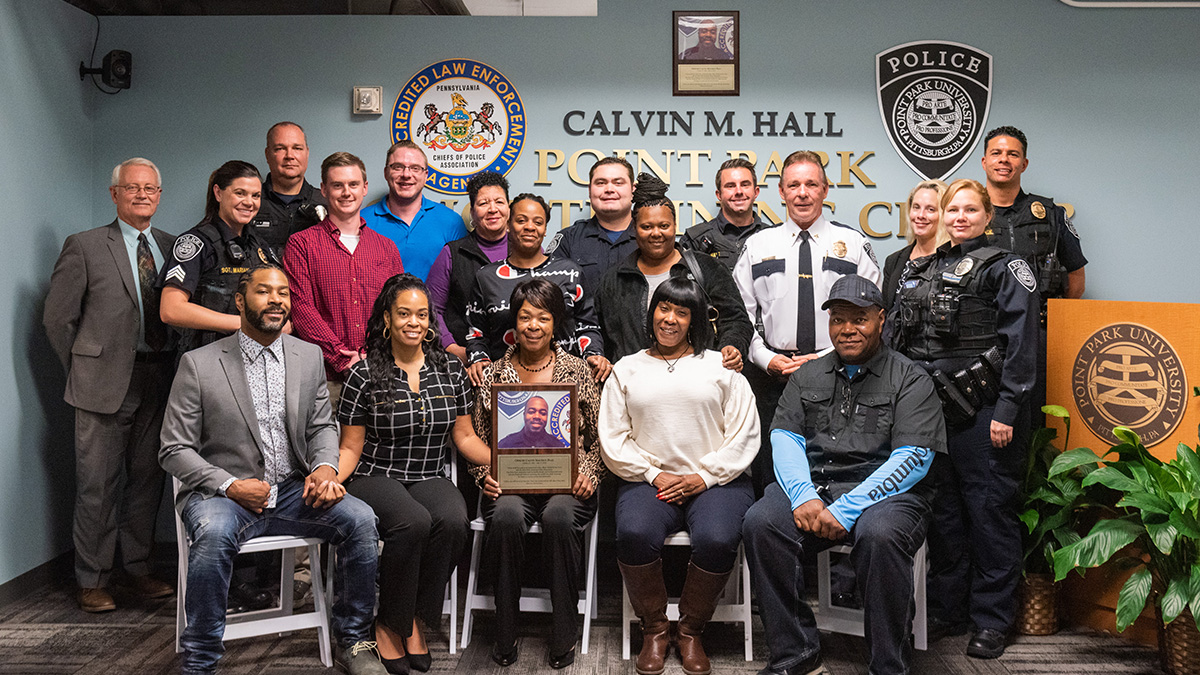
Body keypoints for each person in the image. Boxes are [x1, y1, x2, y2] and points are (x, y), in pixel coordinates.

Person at [159, 265, 385, 675]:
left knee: (362, 520)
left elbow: (321, 426)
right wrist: (229, 485)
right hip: (222, 497)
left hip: (295, 490)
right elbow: (174, 448)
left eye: (283, 292)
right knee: (211, 536)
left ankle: (355, 641)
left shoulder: (308, 356)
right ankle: (201, 660)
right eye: (264, 291)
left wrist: (324, 469)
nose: (276, 300)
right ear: (241, 301)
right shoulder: (199, 364)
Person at [742, 274, 947, 675]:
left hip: (891, 496)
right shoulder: (809, 374)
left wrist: (848, 509)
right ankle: (795, 652)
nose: (847, 329)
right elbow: (784, 438)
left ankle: (888, 664)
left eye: (859, 318)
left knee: (881, 535)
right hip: (817, 486)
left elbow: (914, 458)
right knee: (761, 522)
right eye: (838, 319)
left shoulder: (910, 378)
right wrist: (803, 496)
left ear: (881, 319)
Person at [889, 179, 1039, 659]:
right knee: (946, 517)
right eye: (952, 209)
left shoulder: (1006, 267)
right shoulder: (927, 267)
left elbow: (1022, 346)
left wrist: (1009, 410)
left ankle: (993, 620)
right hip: (933, 414)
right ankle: (949, 609)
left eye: (969, 209)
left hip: (987, 412)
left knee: (990, 514)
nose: (959, 216)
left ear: (986, 216)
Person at [600, 277, 759, 675]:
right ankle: (655, 629)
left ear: (695, 320)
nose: (669, 319)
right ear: (650, 313)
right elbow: (613, 439)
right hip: (650, 480)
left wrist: (703, 477)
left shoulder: (721, 365)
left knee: (719, 537)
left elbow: (744, 432)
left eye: (681, 312)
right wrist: (653, 474)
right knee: (633, 533)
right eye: (663, 309)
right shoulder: (626, 369)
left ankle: (690, 631)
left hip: (716, 481)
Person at [336, 273, 490, 675]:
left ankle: (414, 618)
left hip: (428, 474)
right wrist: (330, 478)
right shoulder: (363, 373)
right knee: (413, 522)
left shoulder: (450, 371)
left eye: (421, 314)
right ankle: (389, 622)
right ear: (387, 318)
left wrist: (511, 461)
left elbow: (465, 436)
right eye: (404, 313)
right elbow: (351, 446)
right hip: (375, 473)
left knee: (454, 521)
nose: (413, 322)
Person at [43, 157, 176, 612]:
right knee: (97, 484)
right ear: (114, 194)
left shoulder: (173, 246)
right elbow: (58, 319)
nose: (142, 195)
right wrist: (83, 371)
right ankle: (92, 578)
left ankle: (136, 569)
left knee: (146, 479)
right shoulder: (83, 246)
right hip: (101, 383)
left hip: (160, 377)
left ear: (160, 195)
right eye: (132, 187)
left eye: (150, 188)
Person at [469, 279, 606, 669]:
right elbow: (477, 437)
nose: (533, 325)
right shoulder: (493, 374)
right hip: (509, 483)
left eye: (543, 317)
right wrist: (484, 475)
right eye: (525, 316)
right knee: (509, 517)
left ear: (555, 322)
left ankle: (563, 633)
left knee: (559, 517)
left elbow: (599, 438)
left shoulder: (577, 372)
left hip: (569, 482)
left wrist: (590, 474)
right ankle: (504, 630)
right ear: (515, 320)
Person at [732, 150, 881, 496]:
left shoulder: (855, 244)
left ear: (825, 190)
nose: (802, 193)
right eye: (794, 185)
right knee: (772, 479)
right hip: (772, 379)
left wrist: (829, 357)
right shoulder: (757, 245)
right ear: (781, 192)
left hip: (838, 376)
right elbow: (739, 316)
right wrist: (765, 358)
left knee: (831, 473)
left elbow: (872, 314)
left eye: (811, 184)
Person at [981, 126, 1088, 424]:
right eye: (997, 153)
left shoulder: (1050, 213)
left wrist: (1048, 321)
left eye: (1013, 154)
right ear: (984, 162)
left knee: (1039, 416)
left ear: (1024, 164)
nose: (1004, 160)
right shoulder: (969, 215)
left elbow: (1076, 277)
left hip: (1039, 335)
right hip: (985, 334)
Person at [595, 173, 751, 371]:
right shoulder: (615, 279)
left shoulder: (706, 268)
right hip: (635, 386)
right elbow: (602, 334)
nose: (656, 233)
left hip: (698, 382)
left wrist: (732, 346)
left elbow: (736, 320)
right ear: (634, 228)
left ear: (675, 226)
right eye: (646, 227)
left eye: (664, 226)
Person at [283, 151, 404, 404]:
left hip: (381, 374)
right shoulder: (301, 245)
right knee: (325, 445)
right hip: (325, 379)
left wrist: (373, 357)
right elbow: (302, 308)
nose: (346, 192)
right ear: (324, 190)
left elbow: (397, 309)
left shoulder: (387, 248)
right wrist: (341, 358)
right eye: (337, 185)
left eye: (353, 184)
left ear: (364, 188)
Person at [464, 191, 608, 382]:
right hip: (505, 382)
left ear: (546, 229)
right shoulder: (486, 277)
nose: (530, 227)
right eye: (521, 220)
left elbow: (587, 325)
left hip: (566, 381)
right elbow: (476, 333)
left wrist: (593, 354)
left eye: (538, 222)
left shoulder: (570, 272)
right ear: (508, 225)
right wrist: (478, 359)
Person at [159, 160, 281, 356]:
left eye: (256, 195)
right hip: (206, 359)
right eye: (240, 193)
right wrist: (244, 325)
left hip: (253, 358)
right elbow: (171, 310)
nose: (249, 202)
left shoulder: (259, 246)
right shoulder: (196, 243)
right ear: (218, 193)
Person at [427, 171, 512, 363]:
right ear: (472, 212)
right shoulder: (452, 254)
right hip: (464, 362)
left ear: (508, 208)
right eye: (483, 203)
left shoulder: (529, 251)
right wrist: (452, 348)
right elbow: (432, 310)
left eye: (499, 201)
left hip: (519, 363)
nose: (493, 209)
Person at [361, 140, 467, 281]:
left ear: (426, 175)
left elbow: (462, 280)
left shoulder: (451, 221)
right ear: (386, 173)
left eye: (415, 168)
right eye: (398, 167)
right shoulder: (362, 221)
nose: (406, 174)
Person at [547, 156, 638, 294]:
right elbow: (548, 294)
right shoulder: (568, 240)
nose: (609, 189)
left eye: (618, 183)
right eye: (600, 183)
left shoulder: (651, 238)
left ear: (633, 190)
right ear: (590, 190)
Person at [679, 157, 775, 273]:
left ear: (756, 192)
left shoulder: (773, 237)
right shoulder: (695, 239)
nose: (739, 191)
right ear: (719, 195)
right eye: (730, 186)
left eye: (745, 185)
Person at [251, 121, 329, 252]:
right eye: (280, 149)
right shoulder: (250, 203)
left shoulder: (327, 203)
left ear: (307, 153)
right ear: (267, 154)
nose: (289, 156)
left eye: (297, 148)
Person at [881, 180, 948, 310]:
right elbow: (886, 312)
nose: (921, 215)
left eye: (930, 209)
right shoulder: (893, 261)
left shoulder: (953, 260)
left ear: (944, 214)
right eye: (916, 207)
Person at [497, 396, 566, 449]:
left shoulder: (557, 446)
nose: (537, 416)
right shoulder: (506, 444)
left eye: (543, 413)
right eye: (531, 412)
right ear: (524, 415)